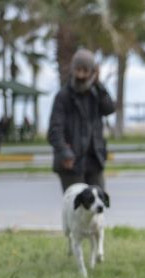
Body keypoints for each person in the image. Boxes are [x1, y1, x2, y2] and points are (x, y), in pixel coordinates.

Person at [47, 48, 115, 192]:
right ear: (72, 70)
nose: (81, 75)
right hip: (71, 163)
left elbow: (109, 109)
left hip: (94, 161)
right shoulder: (63, 96)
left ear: (92, 72)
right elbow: (54, 130)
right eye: (78, 70)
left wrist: (98, 84)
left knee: (98, 207)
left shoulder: (97, 93)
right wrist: (64, 152)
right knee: (76, 211)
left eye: (85, 71)